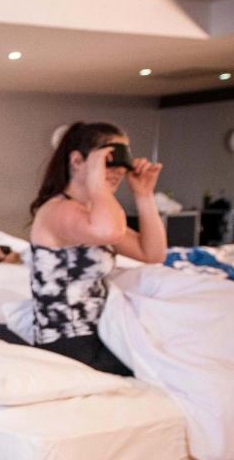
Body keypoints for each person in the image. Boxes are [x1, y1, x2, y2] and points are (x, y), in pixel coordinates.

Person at [28, 121, 165, 376]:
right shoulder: (58, 210)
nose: (118, 169)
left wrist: (144, 194)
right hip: (69, 343)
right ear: (77, 160)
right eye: (109, 159)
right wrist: (97, 182)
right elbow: (109, 232)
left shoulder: (93, 214)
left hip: (100, 334)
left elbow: (152, 254)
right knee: (171, 360)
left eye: (123, 160)